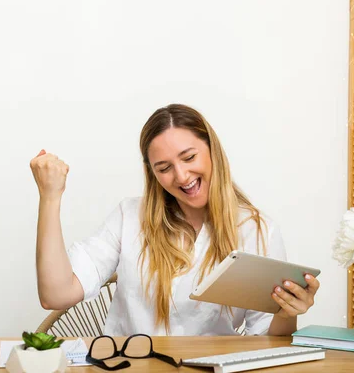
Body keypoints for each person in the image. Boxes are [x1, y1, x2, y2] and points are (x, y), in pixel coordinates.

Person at [30, 104, 320, 336]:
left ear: (211, 151)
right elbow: (55, 294)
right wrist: (50, 196)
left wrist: (287, 312)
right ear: (152, 173)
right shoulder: (129, 216)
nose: (181, 177)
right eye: (165, 167)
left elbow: (268, 340)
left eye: (189, 157)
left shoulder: (257, 231)